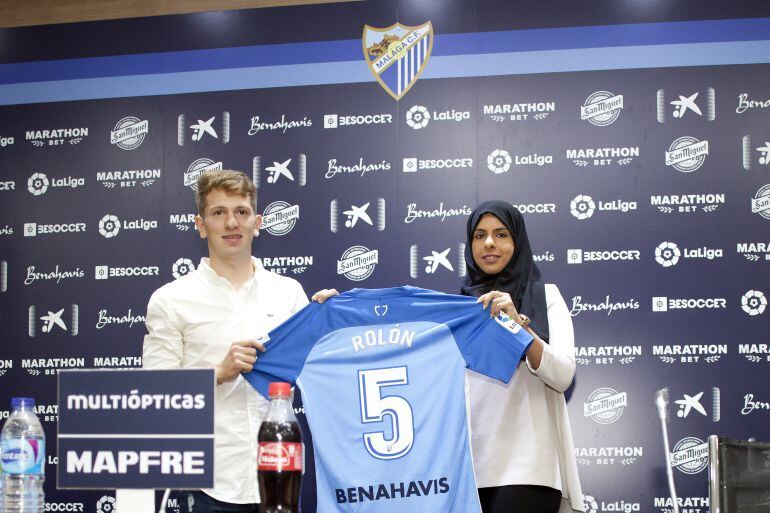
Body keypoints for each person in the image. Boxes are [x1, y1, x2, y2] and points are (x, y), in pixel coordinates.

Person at [142, 170, 308, 513]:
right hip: (208, 483)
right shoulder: (170, 300)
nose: (231, 222)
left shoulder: (290, 293)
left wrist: (327, 320)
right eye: (219, 212)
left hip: (279, 475)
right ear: (201, 225)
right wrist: (218, 373)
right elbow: (155, 394)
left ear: (257, 223)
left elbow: (319, 370)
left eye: (241, 212)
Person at [462, 200, 583, 513]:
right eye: (479, 235)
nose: (489, 243)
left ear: (517, 241)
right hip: (467, 471)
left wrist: (519, 326)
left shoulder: (546, 296)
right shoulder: (459, 309)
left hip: (530, 469)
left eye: (501, 234)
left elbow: (562, 376)